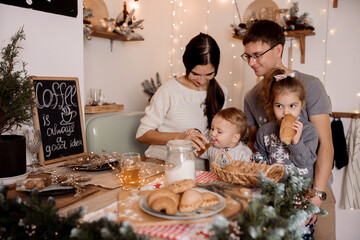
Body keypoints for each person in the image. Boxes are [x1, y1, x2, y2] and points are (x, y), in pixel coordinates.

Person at [242, 20, 335, 239]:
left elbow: (326, 144)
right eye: (247, 56)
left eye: (257, 55)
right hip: (275, 198)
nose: (251, 62)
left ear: (278, 50)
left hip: (314, 189)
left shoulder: (310, 85)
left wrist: (318, 193)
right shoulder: (251, 97)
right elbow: (255, 148)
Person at [136, 33, 228, 170]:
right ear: (187, 65)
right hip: (162, 165)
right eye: (195, 74)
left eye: (209, 74)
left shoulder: (221, 92)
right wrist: (182, 138)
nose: (201, 81)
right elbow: (142, 134)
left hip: (200, 170)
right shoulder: (169, 90)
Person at [254, 69, 318, 178]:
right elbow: (260, 154)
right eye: (279, 106)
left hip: (300, 188)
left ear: (301, 104)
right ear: (272, 104)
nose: (286, 112)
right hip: (273, 187)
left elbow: (306, 163)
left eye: (292, 106)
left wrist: (296, 143)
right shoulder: (265, 131)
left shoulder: (308, 130)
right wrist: (258, 161)